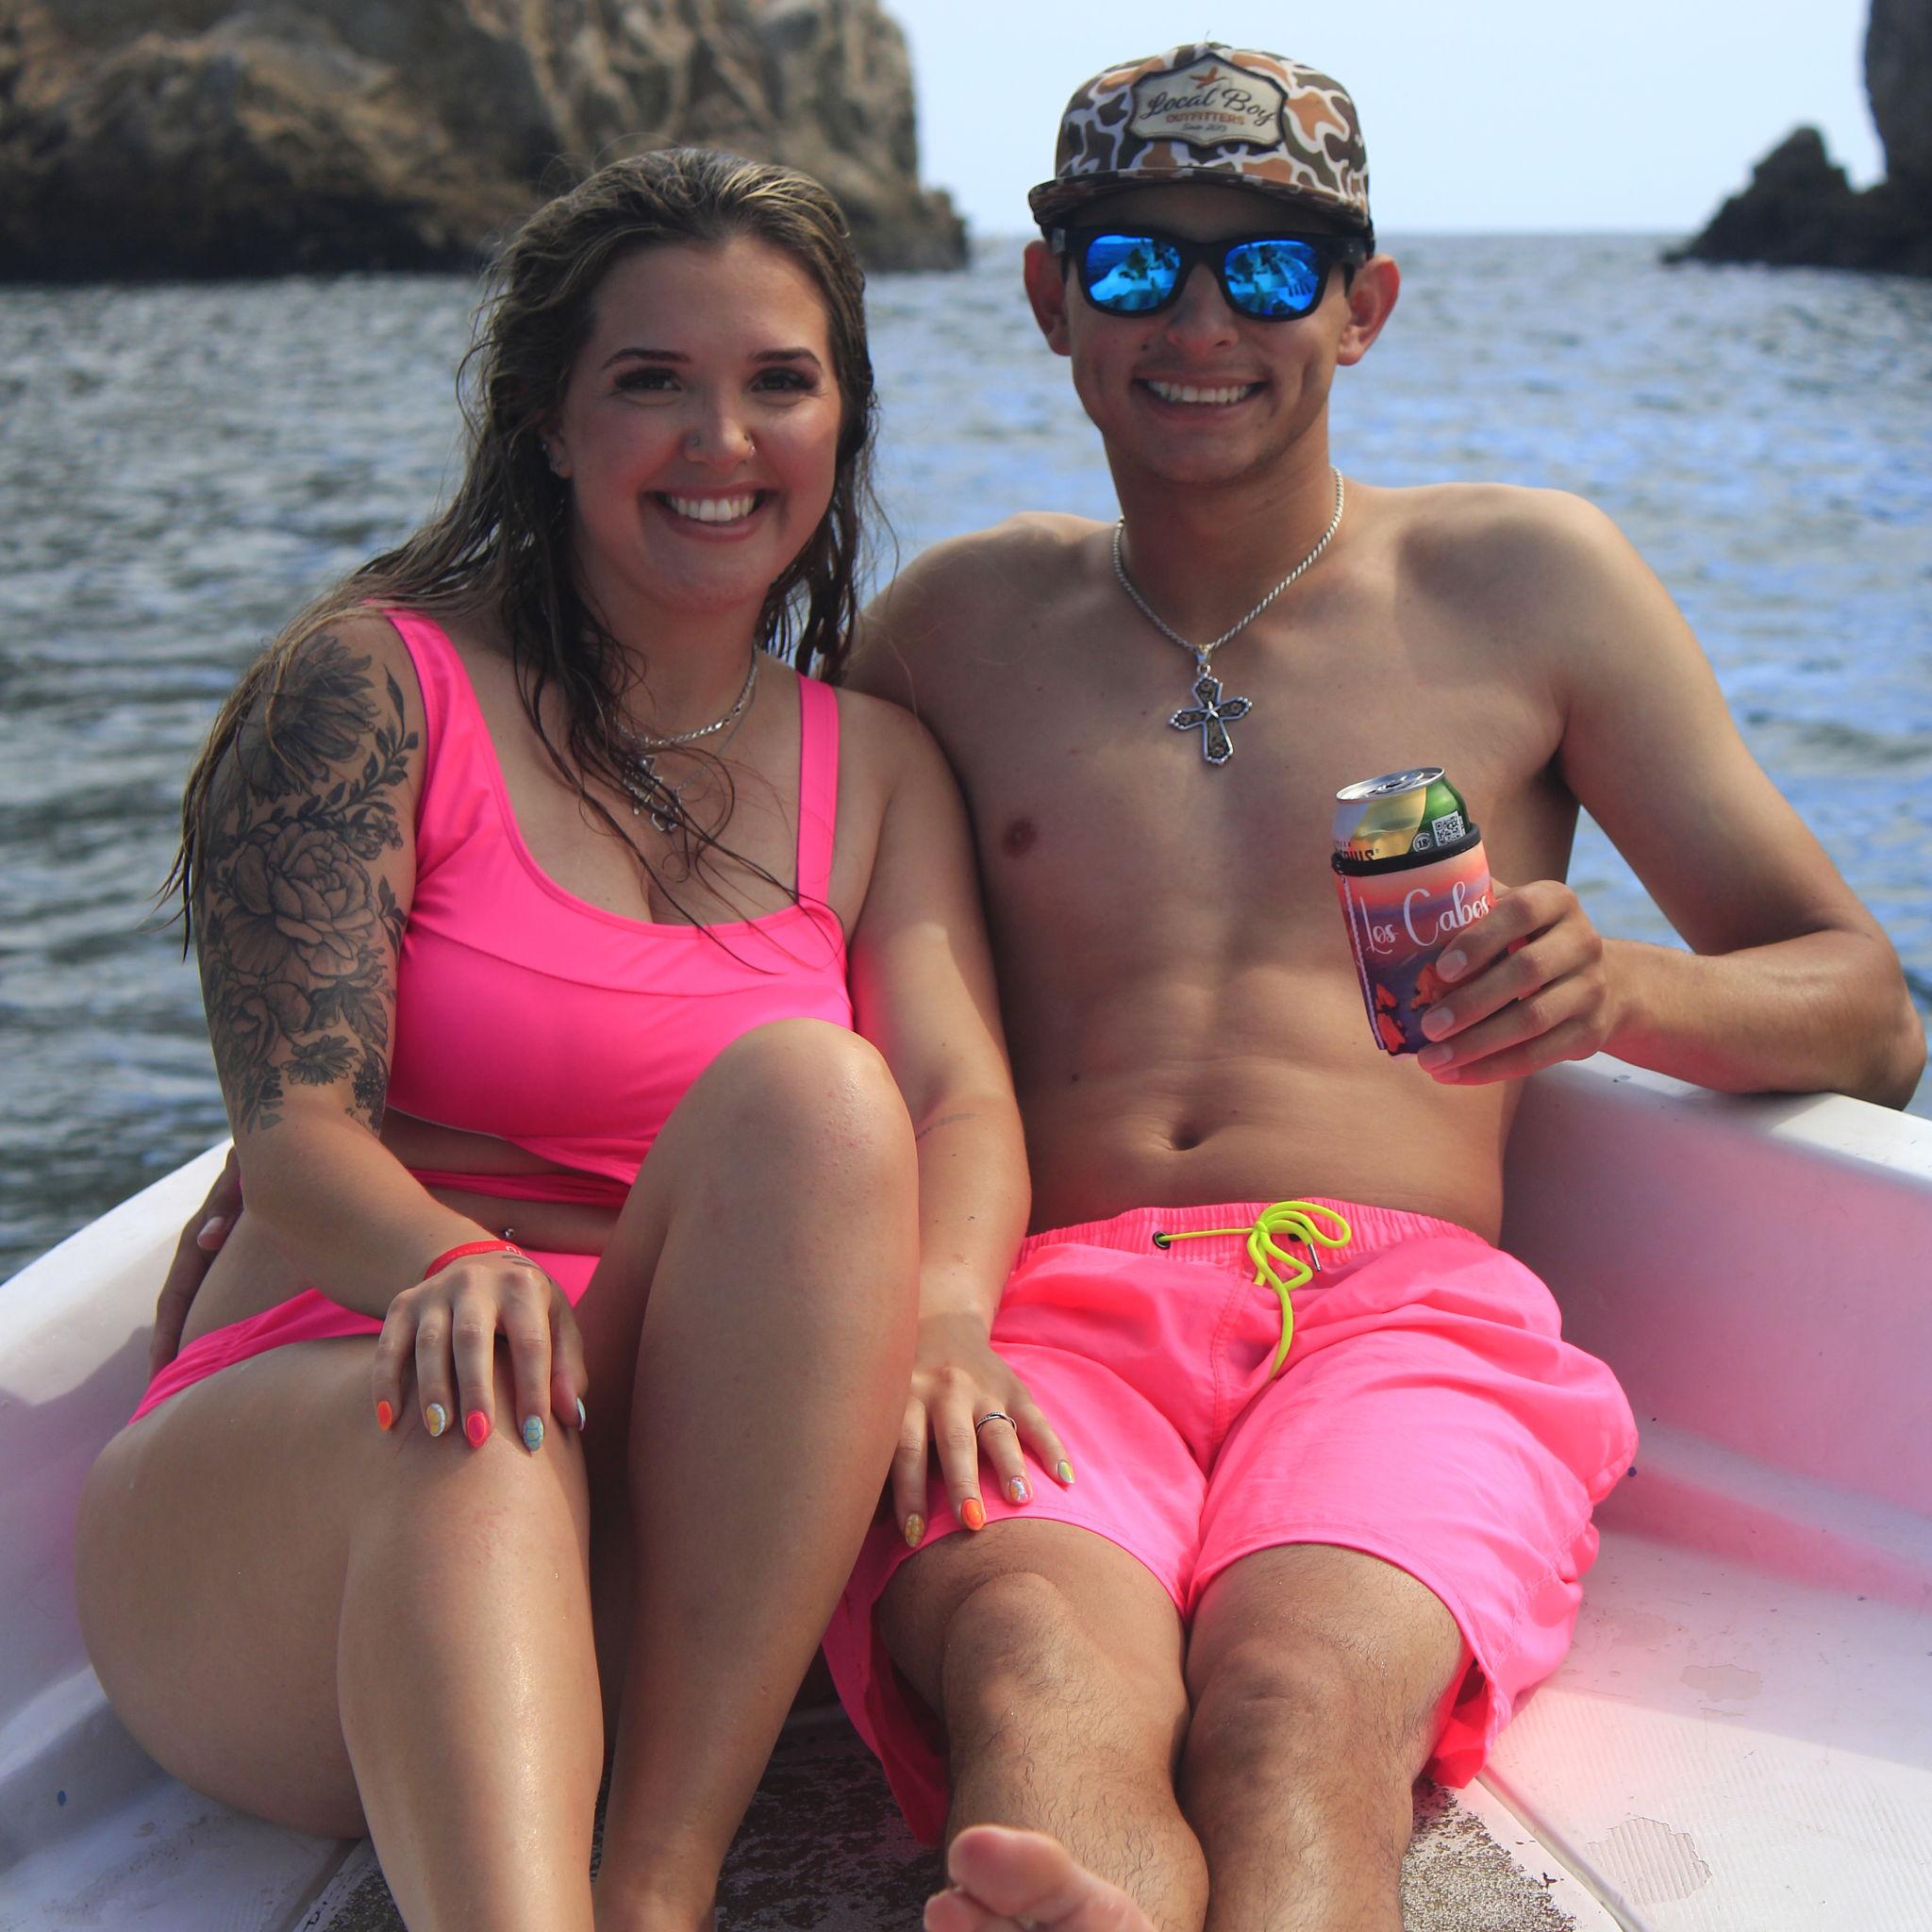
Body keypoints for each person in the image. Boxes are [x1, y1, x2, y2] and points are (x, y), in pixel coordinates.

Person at [812, 43, 1924, 1932]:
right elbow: (747, 959)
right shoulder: (949, 631)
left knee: (1294, 1702)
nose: (1196, 318)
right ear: (1045, 299)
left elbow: (1867, 1013)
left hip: (1408, 1316)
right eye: (1130, 262)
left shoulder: (1528, 581)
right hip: (1046, 1308)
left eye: (1263, 268)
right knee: (1030, 1657)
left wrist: (1615, 986)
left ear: (1362, 307)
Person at [75, 147, 1038, 1932]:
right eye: (651, 382)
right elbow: (292, 1130)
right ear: (545, 421)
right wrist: (454, 1260)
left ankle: (659, 1883)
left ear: (841, 423)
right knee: (481, 1416)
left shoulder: (875, 765)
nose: (719, 440)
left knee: (820, 1098)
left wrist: (952, 1324)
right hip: (324, 1469)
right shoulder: (376, 685)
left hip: (673, 1512)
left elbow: (956, 1097)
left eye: (778, 383)